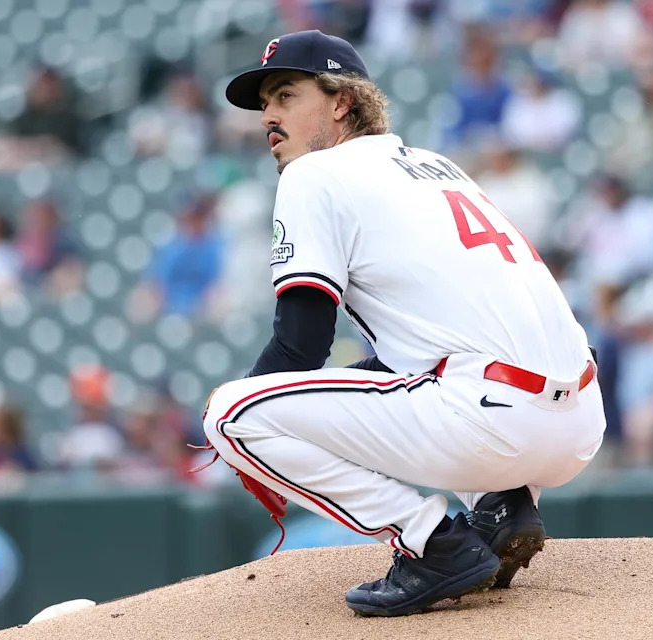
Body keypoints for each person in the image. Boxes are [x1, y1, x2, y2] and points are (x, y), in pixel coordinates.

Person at [202, 30, 606, 617]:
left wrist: (255, 431)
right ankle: (502, 506)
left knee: (230, 413)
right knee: (416, 369)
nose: (268, 115)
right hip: (578, 425)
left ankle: (431, 542)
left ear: (341, 101)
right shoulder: (435, 165)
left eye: (285, 94)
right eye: (264, 102)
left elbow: (301, 343)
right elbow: (402, 356)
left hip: (487, 420)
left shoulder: (314, 175)